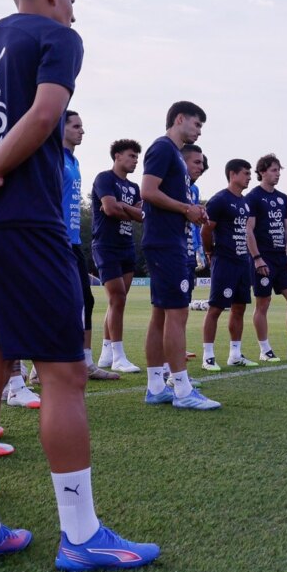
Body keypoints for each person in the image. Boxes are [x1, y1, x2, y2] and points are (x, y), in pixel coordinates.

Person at [0, 0, 158, 570]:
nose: (75, 13)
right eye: (72, 0)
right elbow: (46, 114)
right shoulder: (57, 36)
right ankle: (81, 536)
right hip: (25, 224)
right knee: (62, 375)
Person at [140, 102, 219, 410]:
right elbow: (147, 191)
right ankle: (183, 391)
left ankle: (156, 386)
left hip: (170, 240)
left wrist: (191, 212)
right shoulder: (162, 149)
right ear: (179, 119)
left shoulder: (173, 154)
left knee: (162, 313)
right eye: (197, 124)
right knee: (176, 313)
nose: (199, 131)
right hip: (164, 243)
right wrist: (186, 208)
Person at [64, 113, 120, 382]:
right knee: (52, 304)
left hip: (73, 242)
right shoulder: (53, 158)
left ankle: (85, 362)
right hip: (54, 241)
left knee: (85, 300)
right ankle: (31, 372)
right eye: (76, 126)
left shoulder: (74, 161)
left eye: (82, 126)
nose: (82, 131)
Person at [246, 154, 287, 361]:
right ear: (262, 172)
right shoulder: (253, 197)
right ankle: (265, 349)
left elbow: (286, 229)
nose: (277, 174)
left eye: (279, 171)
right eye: (274, 170)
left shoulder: (282, 198)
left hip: (281, 259)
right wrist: (257, 258)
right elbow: (249, 230)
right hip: (263, 258)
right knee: (263, 303)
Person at [201, 159, 265, 370]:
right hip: (225, 261)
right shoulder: (219, 200)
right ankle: (208, 356)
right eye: (246, 173)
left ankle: (235, 354)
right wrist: (210, 251)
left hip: (242, 261)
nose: (249, 177)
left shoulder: (245, 202)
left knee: (239, 308)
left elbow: (247, 232)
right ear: (232, 175)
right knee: (216, 308)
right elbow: (206, 230)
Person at [91, 138, 142, 374]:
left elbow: (142, 216)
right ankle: (118, 356)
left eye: (136, 157)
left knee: (117, 302)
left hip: (126, 246)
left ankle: (105, 353)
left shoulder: (134, 188)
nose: (135, 161)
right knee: (118, 297)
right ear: (118, 156)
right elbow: (109, 209)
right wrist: (124, 210)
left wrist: (123, 206)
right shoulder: (104, 178)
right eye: (131, 156)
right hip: (105, 245)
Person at [184, 143, 209, 313]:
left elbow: (195, 221)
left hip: (191, 247)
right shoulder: (174, 183)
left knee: (187, 291)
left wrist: (200, 246)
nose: (200, 171)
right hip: (175, 245)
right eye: (197, 164)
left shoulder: (194, 189)